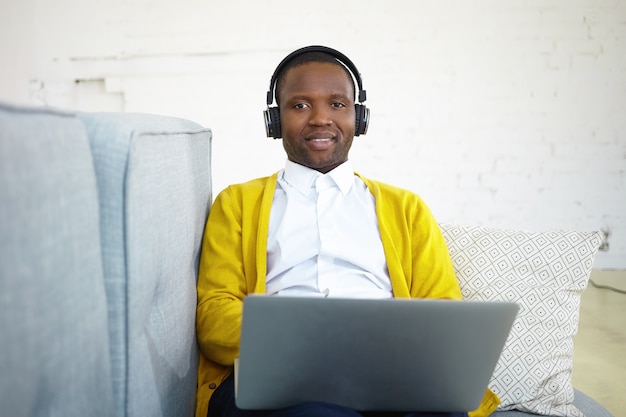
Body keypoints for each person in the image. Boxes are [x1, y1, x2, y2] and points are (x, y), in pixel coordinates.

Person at [195, 46, 499, 417]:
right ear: (274, 122)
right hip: (286, 377)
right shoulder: (237, 203)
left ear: (360, 117)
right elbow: (213, 316)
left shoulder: (407, 208)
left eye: (337, 104)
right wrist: (306, 339)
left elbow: (444, 312)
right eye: (300, 105)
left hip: (389, 372)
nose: (321, 118)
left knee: (440, 410)